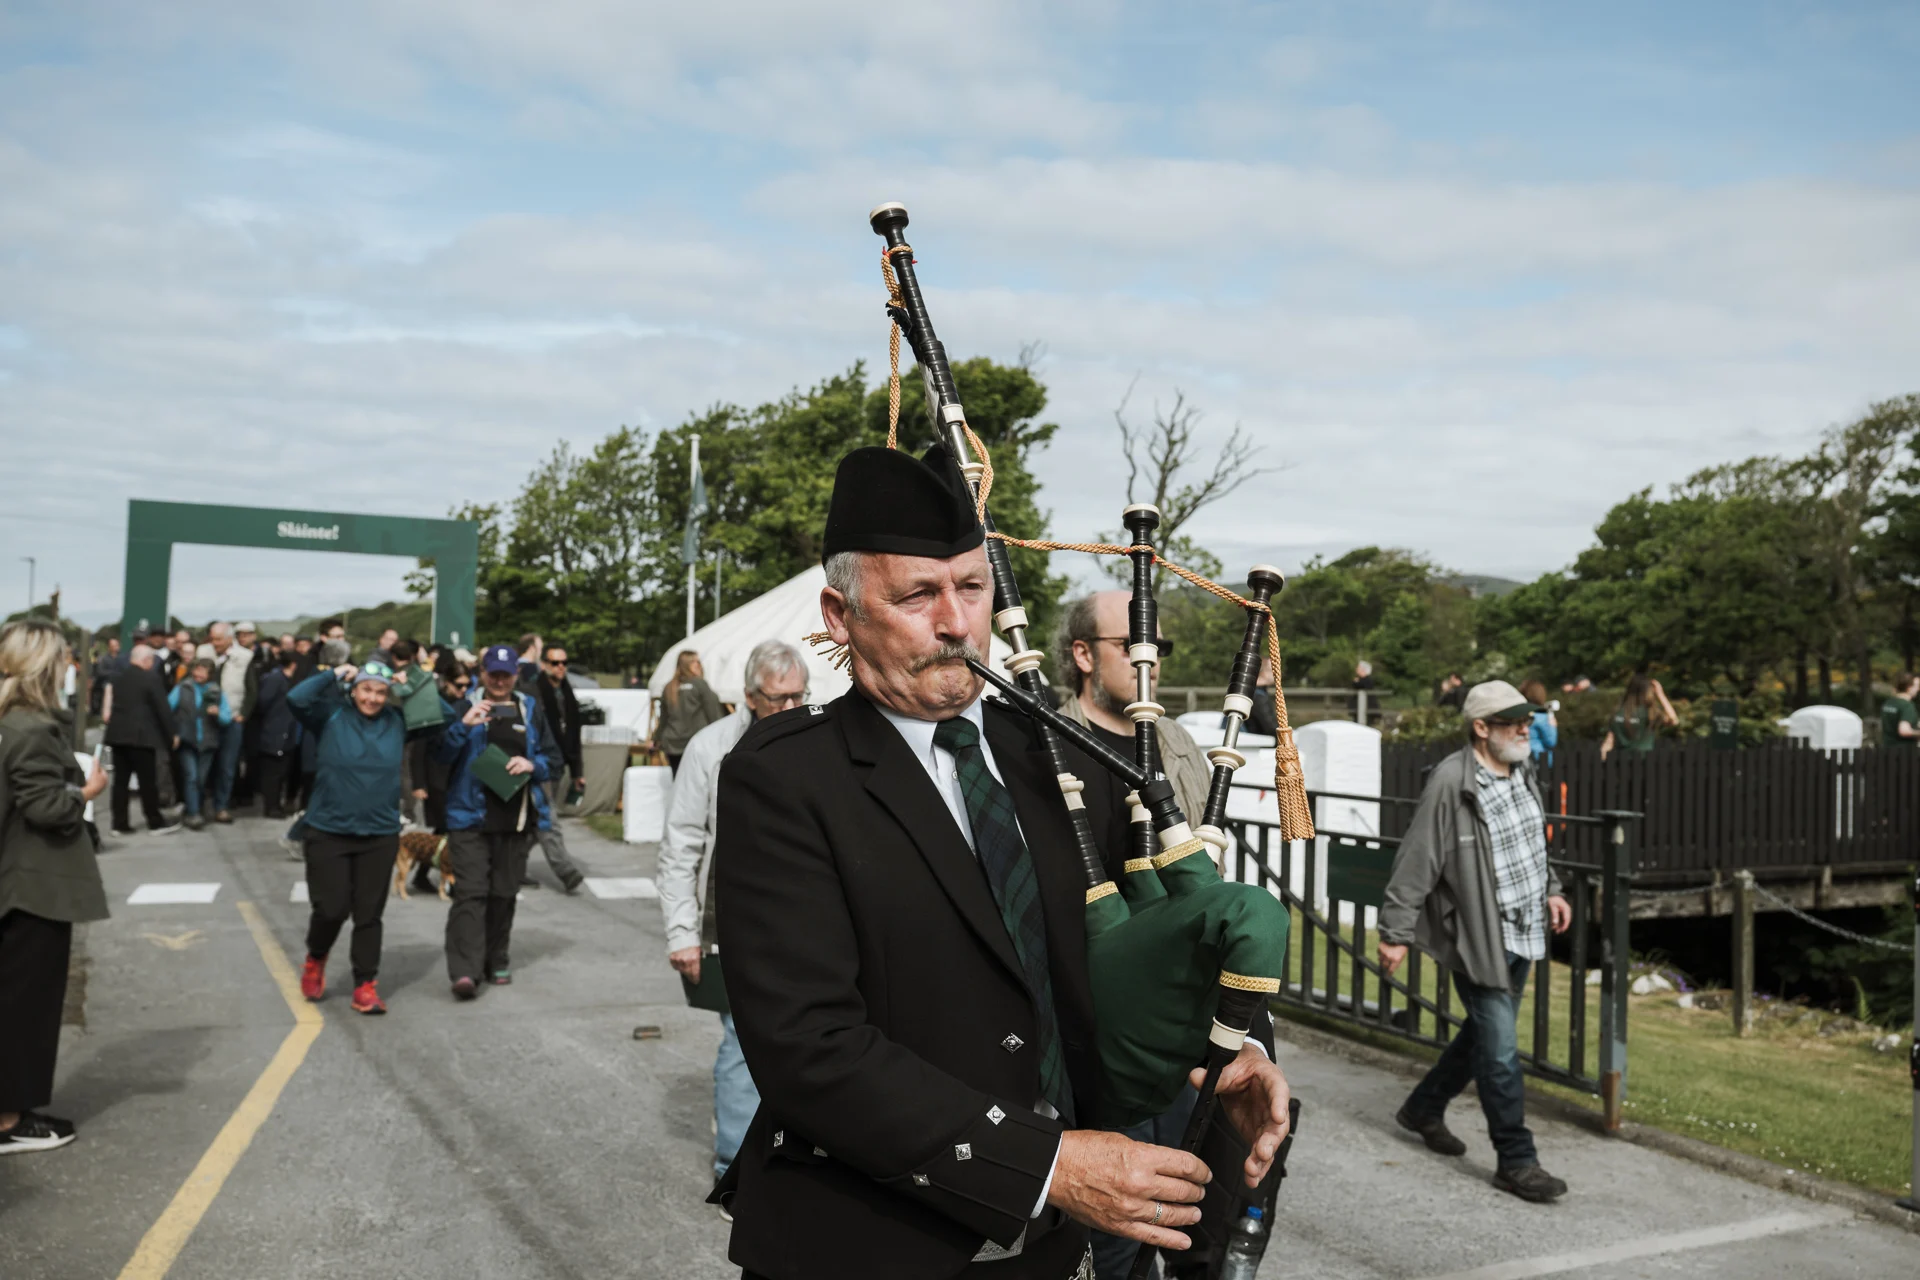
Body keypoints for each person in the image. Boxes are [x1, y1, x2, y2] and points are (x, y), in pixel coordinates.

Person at [713, 445, 1293, 1280]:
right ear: (840, 616)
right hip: (865, 1244)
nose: (955, 622)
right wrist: (1050, 1164)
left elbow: (1143, 944)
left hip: (1050, 1252)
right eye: (917, 594)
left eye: (972, 587)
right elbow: (809, 1046)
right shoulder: (786, 777)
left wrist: (1232, 1051)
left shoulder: (1057, 755)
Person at [1377, 680, 1572, 1203]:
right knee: (1502, 1050)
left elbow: (1532, 841)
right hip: (1478, 938)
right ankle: (1517, 1160)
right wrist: (1395, 933)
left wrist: (1552, 890)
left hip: (1524, 930)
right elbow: (1417, 859)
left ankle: (1422, 1108)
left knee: (1485, 1035)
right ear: (1481, 728)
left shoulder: (1522, 769)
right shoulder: (1451, 782)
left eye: (1526, 721)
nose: (1524, 729)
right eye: (1513, 722)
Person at [659, 639, 807, 1194]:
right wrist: (681, 932)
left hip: (805, 921)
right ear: (749, 697)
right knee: (741, 1045)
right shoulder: (711, 748)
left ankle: (798, 1162)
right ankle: (735, 1171)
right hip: (734, 925)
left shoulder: (816, 738)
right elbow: (681, 846)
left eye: (799, 696)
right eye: (778, 699)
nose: (791, 709)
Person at [0, 619, 112, 1155]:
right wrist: (87, 790)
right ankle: (10, 1119)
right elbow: (45, 807)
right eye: (65, 659)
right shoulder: (32, 727)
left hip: (11, 877)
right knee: (27, 1007)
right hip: (31, 884)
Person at [289, 658, 431, 1015]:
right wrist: (332, 674)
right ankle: (316, 957)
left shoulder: (397, 722)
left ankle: (365, 985)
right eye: (366, 690)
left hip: (379, 833)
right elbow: (296, 698)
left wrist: (409, 682)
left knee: (369, 914)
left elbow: (438, 713)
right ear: (354, 690)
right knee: (331, 909)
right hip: (328, 831)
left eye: (381, 693)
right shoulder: (332, 716)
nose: (373, 698)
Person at [438, 644, 557, 998]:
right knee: (470, 894)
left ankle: (496, 958)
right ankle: (465, 971)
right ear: (482, 673)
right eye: (494, 674)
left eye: (507, 674)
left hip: (515, 815)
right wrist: (464, 725)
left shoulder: (530, 708)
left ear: (516, 675)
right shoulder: (462, 705)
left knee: (504, 893)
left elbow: (553, 758)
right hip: (469, 816)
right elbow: (438, 754)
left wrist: (532, 766)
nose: (500, 681)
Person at [1052, 591, 1209, 824]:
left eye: (1158, 646)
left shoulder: (1181, 743)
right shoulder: (1049, 746)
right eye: (1132, 644)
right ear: (1084, 655)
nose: (1150, 659)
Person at [522, 644, 586, 893]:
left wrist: (578, 772)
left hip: (559, 765)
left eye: (564, 663)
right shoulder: (532, 692)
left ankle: (509, 864)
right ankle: (566, 871)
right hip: (540, 763)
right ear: (544, 665)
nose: (560, 667)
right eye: (555, 662)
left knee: (535, 822)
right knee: (548, 820)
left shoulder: (568, 694)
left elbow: (573, 736)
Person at [102, 644, 180, 836]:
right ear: (147, 660)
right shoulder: (151, 678)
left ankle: (119, 823)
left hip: (118, 735)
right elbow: (162, 708)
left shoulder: (118, 678)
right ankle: (154, 821)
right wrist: (172, 734)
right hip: (142, 736)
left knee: (120, 781)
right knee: (148, 781)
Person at [195, 622, 257, 823]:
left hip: (231, 718)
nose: (215, 643)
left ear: (230, 638)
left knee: (227, 766)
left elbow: (252, 689)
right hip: (205, 719)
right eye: (213, 638)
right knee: (203, 765)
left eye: (219, 639)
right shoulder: (203, 652)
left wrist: (243, 714)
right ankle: (197, 807)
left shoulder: (245, 657)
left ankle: (221, 806)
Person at [167, 658, 231, 830]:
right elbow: (167, 709)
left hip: (208, 742)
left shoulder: (216, 692)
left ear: (210, 674)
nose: (199, 674)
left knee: (200, 780)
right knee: (192, 777)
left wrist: (218, 713)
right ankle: (193, 814)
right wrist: (174, 733)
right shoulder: (182, 688)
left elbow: (227, 717)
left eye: (203, 671)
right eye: (197, 670)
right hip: (187, 740)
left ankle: (193, 807)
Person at [653, 650, 725, 773]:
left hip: (672, 744)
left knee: (678, 781)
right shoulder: (700, 684)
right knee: (696, 783)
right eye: (695, 662)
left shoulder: (669, 687)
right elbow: (714, 714)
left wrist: (656, 738)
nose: (699, 665)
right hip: (695, 744)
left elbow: (663, 718)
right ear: (687, 665)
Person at [253, 648, 303, 818]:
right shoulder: (275, 679)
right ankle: (271, 806)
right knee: (272, 773)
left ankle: (277, 804)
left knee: (282, 772)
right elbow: (262, 702)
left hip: (287, 734)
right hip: (273, 732)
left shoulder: (290, 681)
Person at [1599, 673, 1676, 760]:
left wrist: (1602, 761)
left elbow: (1609, 741)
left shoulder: (1618, 713)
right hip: (1644, 763)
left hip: (1621, 762)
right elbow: (1673, 720)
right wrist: (1660, 694)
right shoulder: (1649, 713)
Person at [1518, 679, 1557, 767]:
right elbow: (1551, 742)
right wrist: (1553, 726)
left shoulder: (1519, 714)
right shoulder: (1542, 717)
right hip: (1540, 761)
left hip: (1522, 759)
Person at [1879, 672, 1919, 747]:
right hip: (1904, 753)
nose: (1918, 689)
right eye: (1916, 686)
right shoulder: (1907, 706)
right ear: (1909, 687)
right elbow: (1904, 730)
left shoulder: (1888, 703)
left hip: (1887, 750)